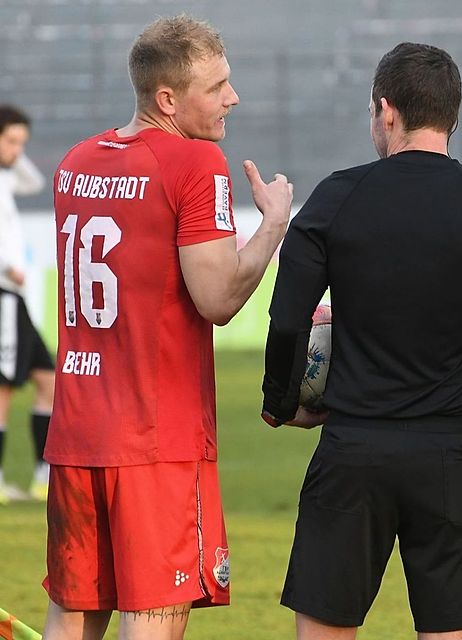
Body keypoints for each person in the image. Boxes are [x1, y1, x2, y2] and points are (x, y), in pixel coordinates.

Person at [261, 42, 462, 640]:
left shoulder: (337, 197)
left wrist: (281, 405)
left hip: (353, 450)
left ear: (385, 110)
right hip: (450, 455)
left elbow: (286, 322)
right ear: (453, 117)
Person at [42, 15, 293, 640]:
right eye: (217, 86)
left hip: (76, 432)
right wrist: (271, 227)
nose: (232, 97)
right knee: (153, 616)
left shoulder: (76, 161)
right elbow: (217, 298)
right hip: (156, 437)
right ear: (168, 100)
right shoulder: (195, 162)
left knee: (73, 613)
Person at [0, 104, 56, 504]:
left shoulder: (6, 176)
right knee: (2, 388)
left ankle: (42, 474)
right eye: (11, 140)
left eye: (22, 142)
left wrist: (14, 154)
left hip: (14, 297)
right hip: (3, 291)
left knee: (49, 380)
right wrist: (7, 266)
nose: (17, 150)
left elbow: (33, 182)